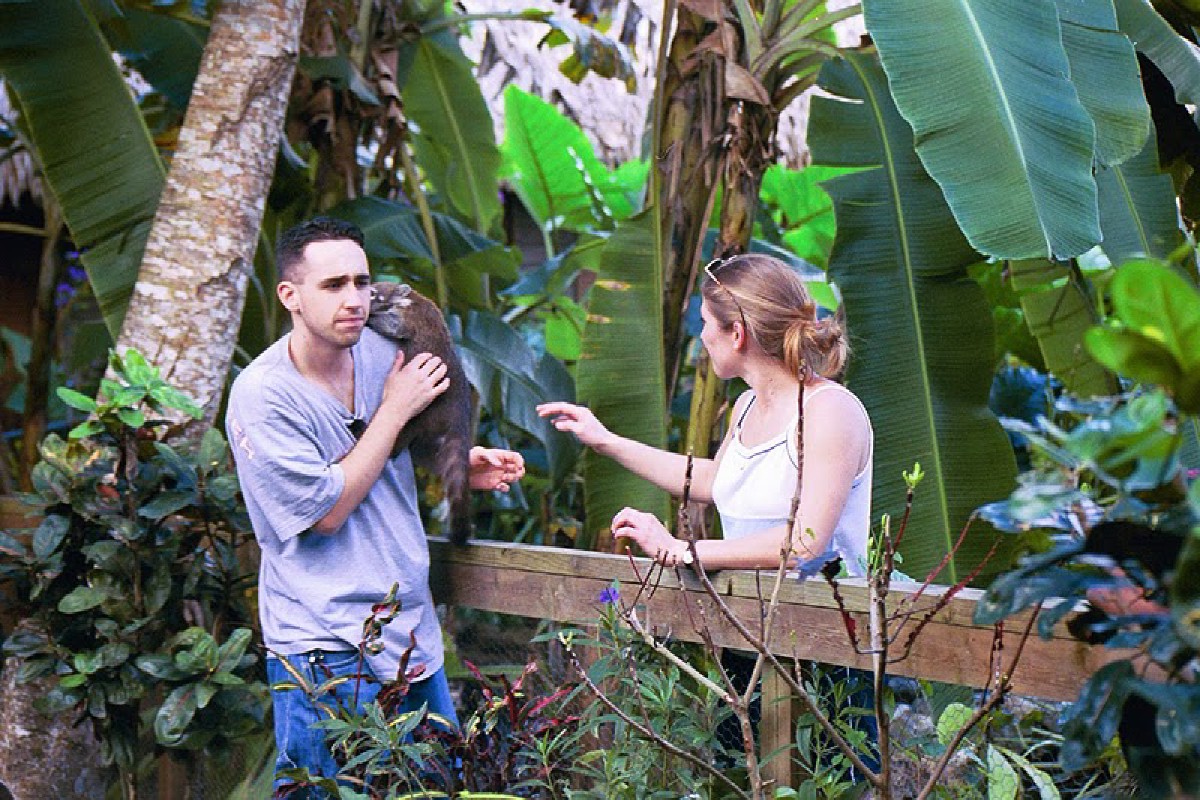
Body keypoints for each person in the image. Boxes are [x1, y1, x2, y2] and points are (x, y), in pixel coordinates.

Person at [225, 217, 524, 795]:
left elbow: (395, 446)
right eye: (333, 285)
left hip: (411, 633)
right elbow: (326, 513)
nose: (355, 299)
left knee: (437, 789)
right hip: (324, 646)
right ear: (290, 295)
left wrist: (455, 462)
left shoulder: (385, 352)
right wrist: (393, 408)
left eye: (362, 282)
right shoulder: (263, 395)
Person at [537, 252, 872, 576]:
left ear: (737, 334)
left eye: (705, 322)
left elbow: (804, 544)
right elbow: (714, 480)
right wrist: (605, 441)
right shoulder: (747, 405)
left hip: (827, 611)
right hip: (752, 609)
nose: (702, 336)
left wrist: (683, 550)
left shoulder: (829, 410)